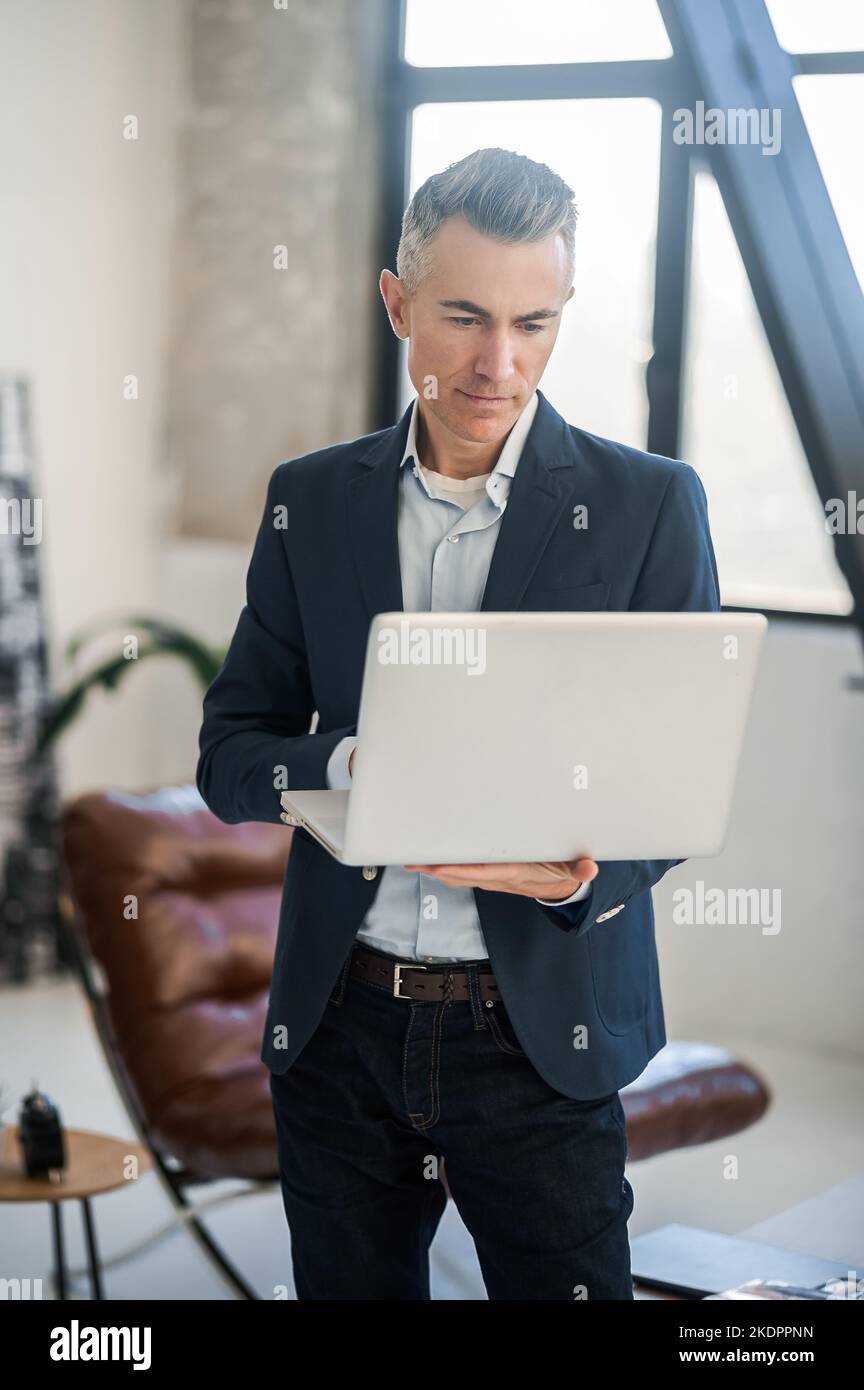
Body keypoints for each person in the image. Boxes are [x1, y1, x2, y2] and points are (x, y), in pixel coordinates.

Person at [196, 147, 720, 1300]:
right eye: (466, 317)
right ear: (396, 303)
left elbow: (675, 783)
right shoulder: (311, 499)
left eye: (535, 322)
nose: (500, 363)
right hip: (340, 1025)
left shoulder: (647, 507)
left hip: (538, 1036)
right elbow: (230, 754)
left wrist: (579, 877)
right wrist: (346, 762)